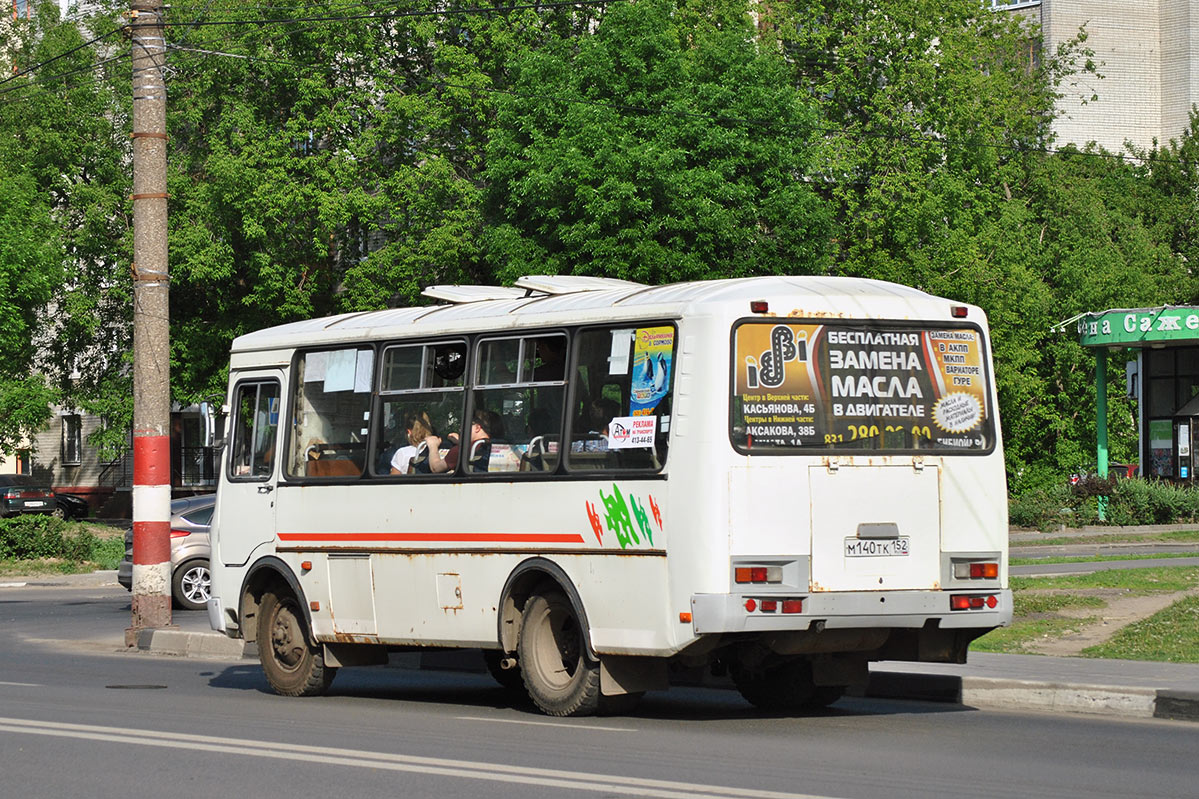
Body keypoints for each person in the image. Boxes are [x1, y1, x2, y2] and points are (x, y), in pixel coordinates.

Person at [428, 409, 502, 473]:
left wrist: (433, 446)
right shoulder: (501, 446)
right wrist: (461, 442)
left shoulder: (462, 450)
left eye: (465, 425)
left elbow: (436, 468)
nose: (461, 430)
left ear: (477, 428)